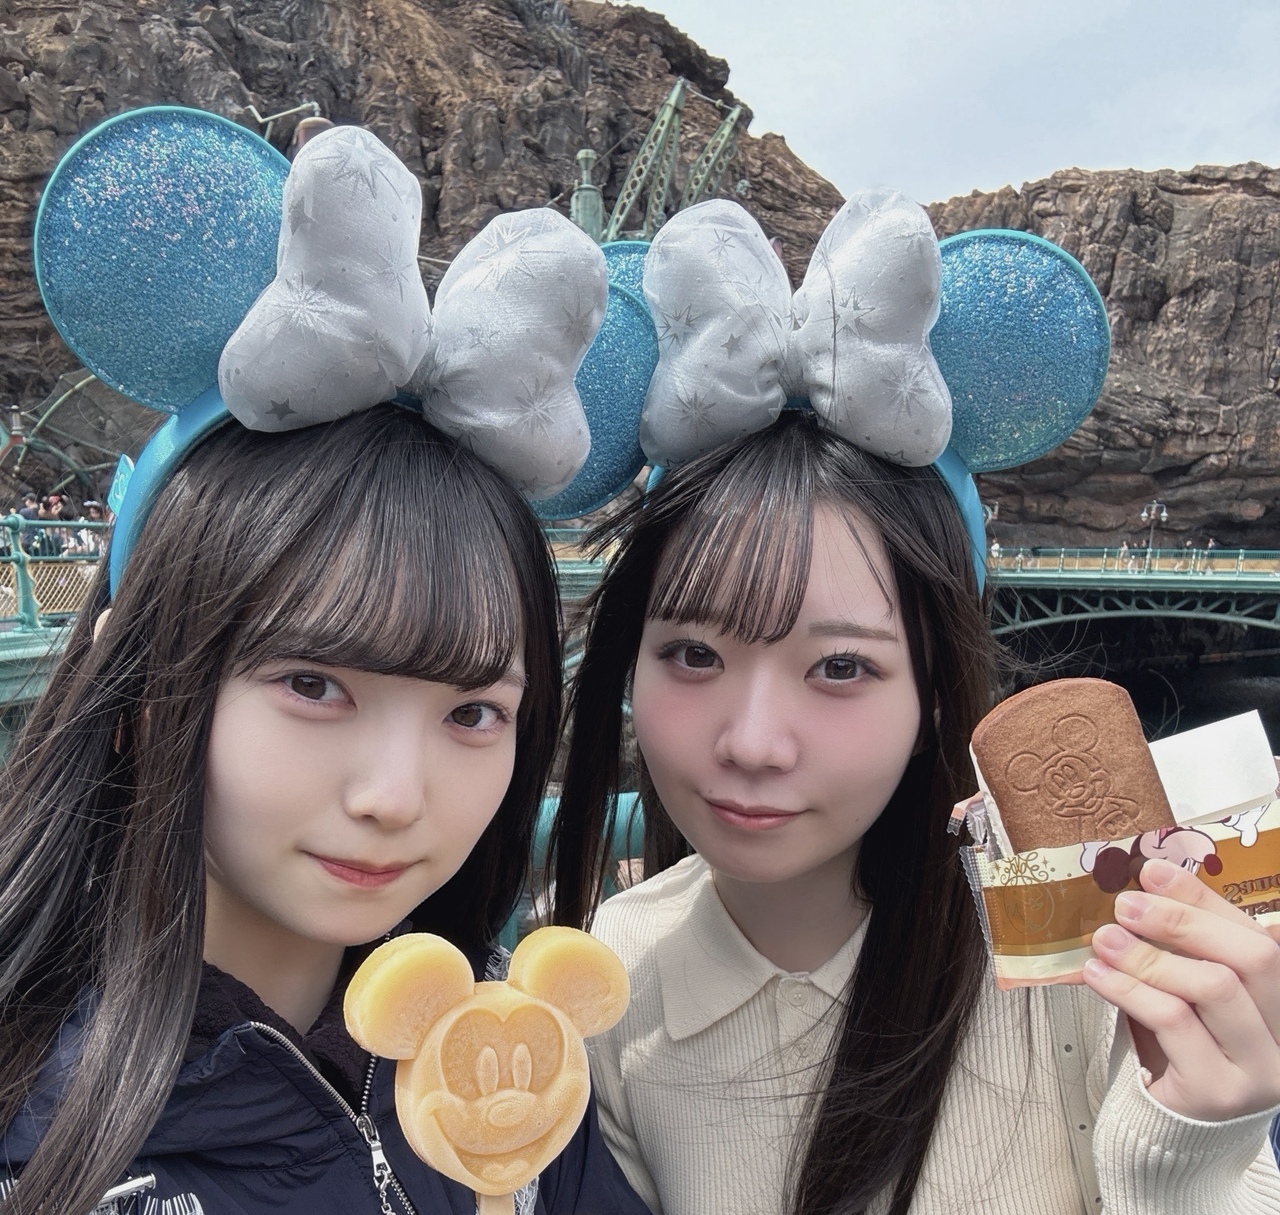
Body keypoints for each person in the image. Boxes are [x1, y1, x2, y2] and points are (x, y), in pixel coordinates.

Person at [549, 195, 1280, 1214]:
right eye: (692, 653)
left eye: (840, 667)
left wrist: (1188, 1154)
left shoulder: (1087, 952)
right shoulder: (606, 981)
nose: (752, 743)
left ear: (938, 692)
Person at [0, 113, 647, 1215]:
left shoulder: (513, 1075)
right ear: (135, 692)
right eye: (313, 685)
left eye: (473, 713)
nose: (395, 797)